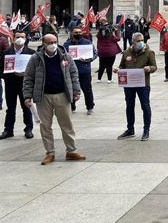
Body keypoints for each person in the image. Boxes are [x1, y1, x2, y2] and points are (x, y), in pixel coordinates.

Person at [23, 33, 85, 165]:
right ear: (44, 44)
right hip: (43, 97)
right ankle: (50, 152)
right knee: (45, 126)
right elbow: (28, 77)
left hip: (62, 95)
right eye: (50, 42)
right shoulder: (36, 58)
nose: (53, 45)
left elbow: (73, 73)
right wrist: (27, 96)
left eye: (55, 41)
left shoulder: (65, 55)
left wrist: (76, 90)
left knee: (67, 124)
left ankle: (71, 151)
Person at [114, 32, 157, 141]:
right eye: (138, 41)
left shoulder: (149, 52)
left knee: (145, 106)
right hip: (129, 84)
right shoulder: (126, 53)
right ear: (133, 41)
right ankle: (130, 129)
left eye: (142, 40)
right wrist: (118, 70)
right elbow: (122, 66)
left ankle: (146, 130)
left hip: (143, 84)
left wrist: (149, 68)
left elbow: (154, 66)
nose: (141, 43)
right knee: (129, 106)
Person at [0, 31, 35, 139]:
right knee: (10, 108)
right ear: (13, 38)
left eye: (22, 37)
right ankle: (8, 130)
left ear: (26, 38)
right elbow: (1, 69)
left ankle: (28, 129)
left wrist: (25, 74)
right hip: (10, 83)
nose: (20, 38)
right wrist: (9, 73)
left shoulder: (31, 53)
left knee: (26, 107)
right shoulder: (6, 53)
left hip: (25, 84)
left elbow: (36, 70)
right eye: (18, 36)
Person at [63, 28, 98, 114]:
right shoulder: (67, 44)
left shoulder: (87, 42)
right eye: (76, 32)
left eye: (79, 32)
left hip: (84, 70)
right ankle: (72, 106)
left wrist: (87, 60)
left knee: (87, 89)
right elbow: (62, 55)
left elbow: (95, 53)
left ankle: (90, 107)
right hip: (70, 70)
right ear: (72, 33)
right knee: (70, 89)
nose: (78, 34)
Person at [96, 18, 121, 83]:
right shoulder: (110, 36)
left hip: (102, 52)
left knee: (101, 65)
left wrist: (99, 49)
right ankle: (109, 80)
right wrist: (116, 31)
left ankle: (99, 79)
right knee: (109, 66)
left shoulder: (99, 35)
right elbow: (118, 39)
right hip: (110, 52)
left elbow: (98, 43)